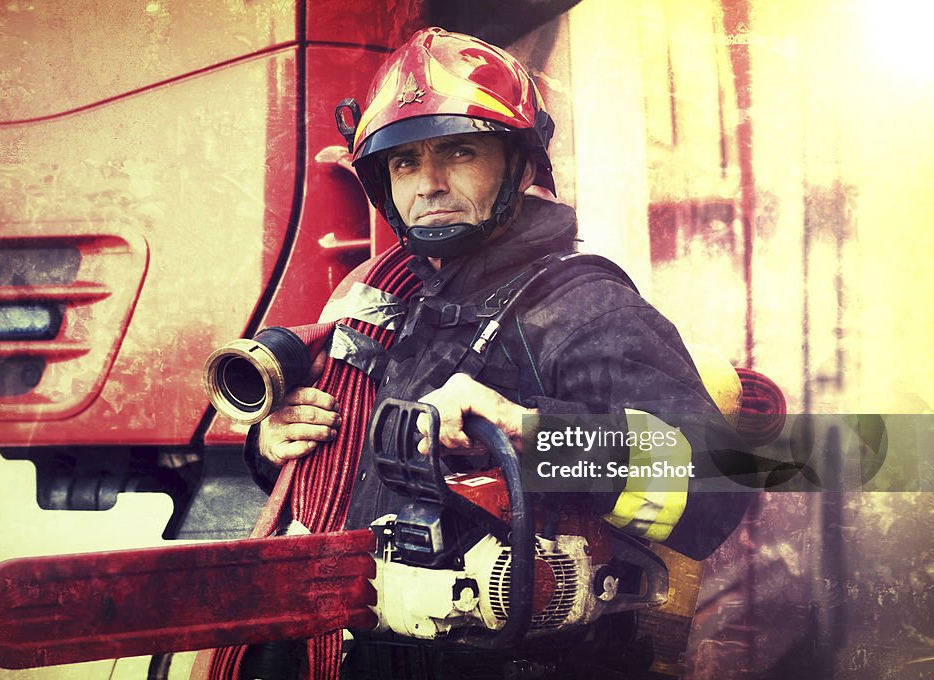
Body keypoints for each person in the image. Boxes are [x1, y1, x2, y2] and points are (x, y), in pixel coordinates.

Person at [250, 27, 750, 678]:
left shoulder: (581, 311)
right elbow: (346, 483)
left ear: (517, 163)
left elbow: (714, 492)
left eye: (458, 152)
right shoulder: (388, 303)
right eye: (405, 162)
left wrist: (526, 432)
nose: (428, 182)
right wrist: (275, 446)